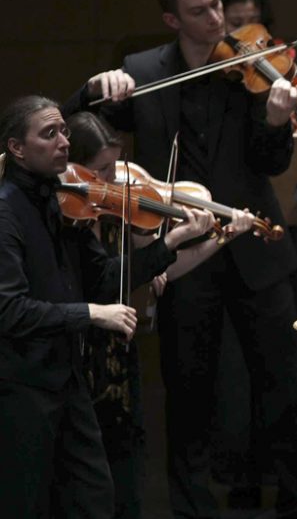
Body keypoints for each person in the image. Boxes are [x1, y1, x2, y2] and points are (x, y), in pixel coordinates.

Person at [61, 0, 297, 518]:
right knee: (188, 393)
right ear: (171, 19)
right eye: (200, 12)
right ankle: (192, 509)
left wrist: (275, 120)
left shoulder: (253, 69)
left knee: (283, 386)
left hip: (253, 245)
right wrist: (95, 90)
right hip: (181, 254)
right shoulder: (142, 69)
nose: (217, 19)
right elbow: (72, 134)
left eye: (218, 6)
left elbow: (271, 162)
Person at [0, 96, 212, 517]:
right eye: (50, 134)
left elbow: (103, 277)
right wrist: (92, 314)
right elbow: (9, 310)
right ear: (17, 149)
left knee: (96, 499)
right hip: (21, 386)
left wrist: (169, 243)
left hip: (66, 378)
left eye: (63, 131)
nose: (64, 141)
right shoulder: (7, 211)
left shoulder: (60, 200)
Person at [214, 0, 297, 510]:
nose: (244, 35)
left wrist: (286, 118)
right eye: (232, 20)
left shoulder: (280, 66)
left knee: (289, 356)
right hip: (235, 229)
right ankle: (241, 467)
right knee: (235, 365)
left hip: (287, 224)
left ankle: (296, 473)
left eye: (251, 20)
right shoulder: (215, 73)